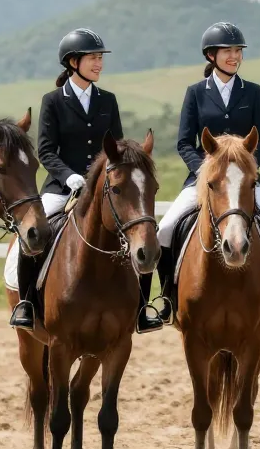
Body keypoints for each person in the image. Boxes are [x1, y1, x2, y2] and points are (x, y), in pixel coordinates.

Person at [150, 22, 260, 326]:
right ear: (211, 55)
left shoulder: (253, 92)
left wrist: (245, 170)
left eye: (238, 51)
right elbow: (184, 143)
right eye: (227, 51)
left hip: (244, 181)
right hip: (204, 180)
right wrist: (205, 171)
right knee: (165, 229)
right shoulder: (195, 93)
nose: (234, 56)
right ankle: (167, 299)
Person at [10, 28, 163, 334]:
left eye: (100, 58)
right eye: (93, 58)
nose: (99, 64)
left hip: (106, 188)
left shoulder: (108, 100)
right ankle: (26, 303)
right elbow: (46, 150)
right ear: (73, 62)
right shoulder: (53, 101)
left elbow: (117, 148)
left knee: (140, 230)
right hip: (62, 188)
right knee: (32, 237)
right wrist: (69, 176)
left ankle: (142, 308)